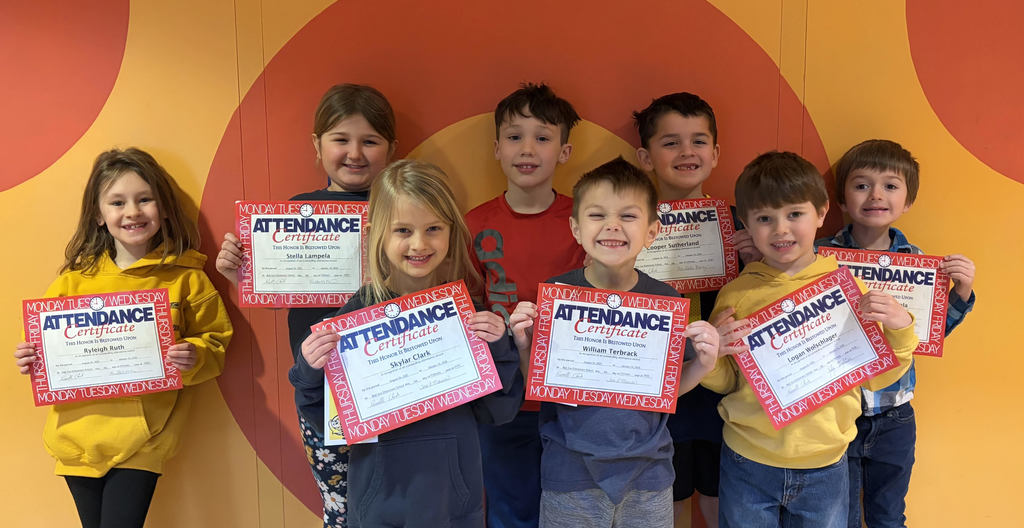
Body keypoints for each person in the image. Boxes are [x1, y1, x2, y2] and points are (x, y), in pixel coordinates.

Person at [291, 159, 525, 528]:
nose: (419, 243)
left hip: (455, 507)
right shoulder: (352, 321)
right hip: (379, 507)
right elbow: (326, 423)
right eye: (403, 229)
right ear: (377, 234)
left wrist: (499, 349)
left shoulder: (469, 315)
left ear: (452, 232)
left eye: (433, 228)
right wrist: (308, 371)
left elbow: (500, 411)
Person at [13, 148, 233, 528]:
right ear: (99, 215)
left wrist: (193, 355)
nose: (132, 212)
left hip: (144, 439)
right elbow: (39, 346)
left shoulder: (187, 278)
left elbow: (216, 341)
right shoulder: (71, 282)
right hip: (76, 438)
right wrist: (29, 357)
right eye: (117, 202)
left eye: (144, 199)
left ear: (163, 208)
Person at [701, 151, 918, 527]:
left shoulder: (847, 287)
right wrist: (711, 356)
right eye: (765, 219)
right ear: (747, 225)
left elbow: (875, 379)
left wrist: (900, 330)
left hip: (827, 461)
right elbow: (727, 382)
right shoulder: (736, 295)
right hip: (748, 458)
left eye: (794, 214)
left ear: (820, 213)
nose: (781, 230)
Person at [215, 83, 396, 527]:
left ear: (391, 148)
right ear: (317, 146)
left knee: (395, 496)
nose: (354, 153)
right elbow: (277, 293)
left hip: (393, 376)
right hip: (322, 386)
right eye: (340, 139)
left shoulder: (402, 210)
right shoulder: (296, 213)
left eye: (370, 141)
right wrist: (243, 272)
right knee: (339, 504)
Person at [510, 157, 723, 528]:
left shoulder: (667, 300)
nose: (612, 226)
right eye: (597, 215)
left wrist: (704, 364)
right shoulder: (560, 295)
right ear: (575, 228)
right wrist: (525, 344)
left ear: (652, 232)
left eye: (628, 216)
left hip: (649, 474)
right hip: (570, 473)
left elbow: (666, 392)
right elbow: (538, 384)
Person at [815, 139, 976, 528]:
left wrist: (961, 292)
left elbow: (928, 336)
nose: (875, 195)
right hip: (837, 413)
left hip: (895, 414)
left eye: (890, 185)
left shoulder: (920, 265)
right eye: (861, 184)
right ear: (840, 199)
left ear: (907, 202)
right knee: (841, 516)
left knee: (888, 515)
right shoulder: (817, 258)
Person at [632, 91, 757, 527]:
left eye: (698, 141)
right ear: (645, 157)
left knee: (724, 502)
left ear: (716, 153)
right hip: (663, 390)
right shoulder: (629, 230)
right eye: (671, 143)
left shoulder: (748, 227)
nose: (687, 152)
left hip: (729, 391)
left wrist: (757, 260)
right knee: (670, 500)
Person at [467, 82, 586, 528]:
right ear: (496, 148)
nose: (527, 149)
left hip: (571, 401)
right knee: (509, 510)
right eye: (515, 137)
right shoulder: (475, 223)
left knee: (572, 513)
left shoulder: (587, 221)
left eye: (543, 136)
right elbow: (466, 307)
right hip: (502, 401)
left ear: (565, 150)